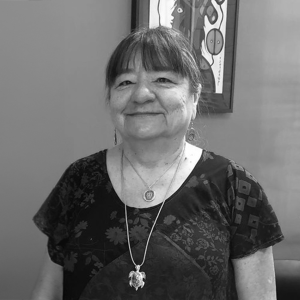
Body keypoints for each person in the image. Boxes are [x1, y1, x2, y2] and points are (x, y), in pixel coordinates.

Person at [32, 26, 284, 300]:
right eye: (125, 82)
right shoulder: (79, 178)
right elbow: (49, 292)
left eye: (163, 79)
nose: (141, 94)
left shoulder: (235, 187)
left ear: (195, 95)